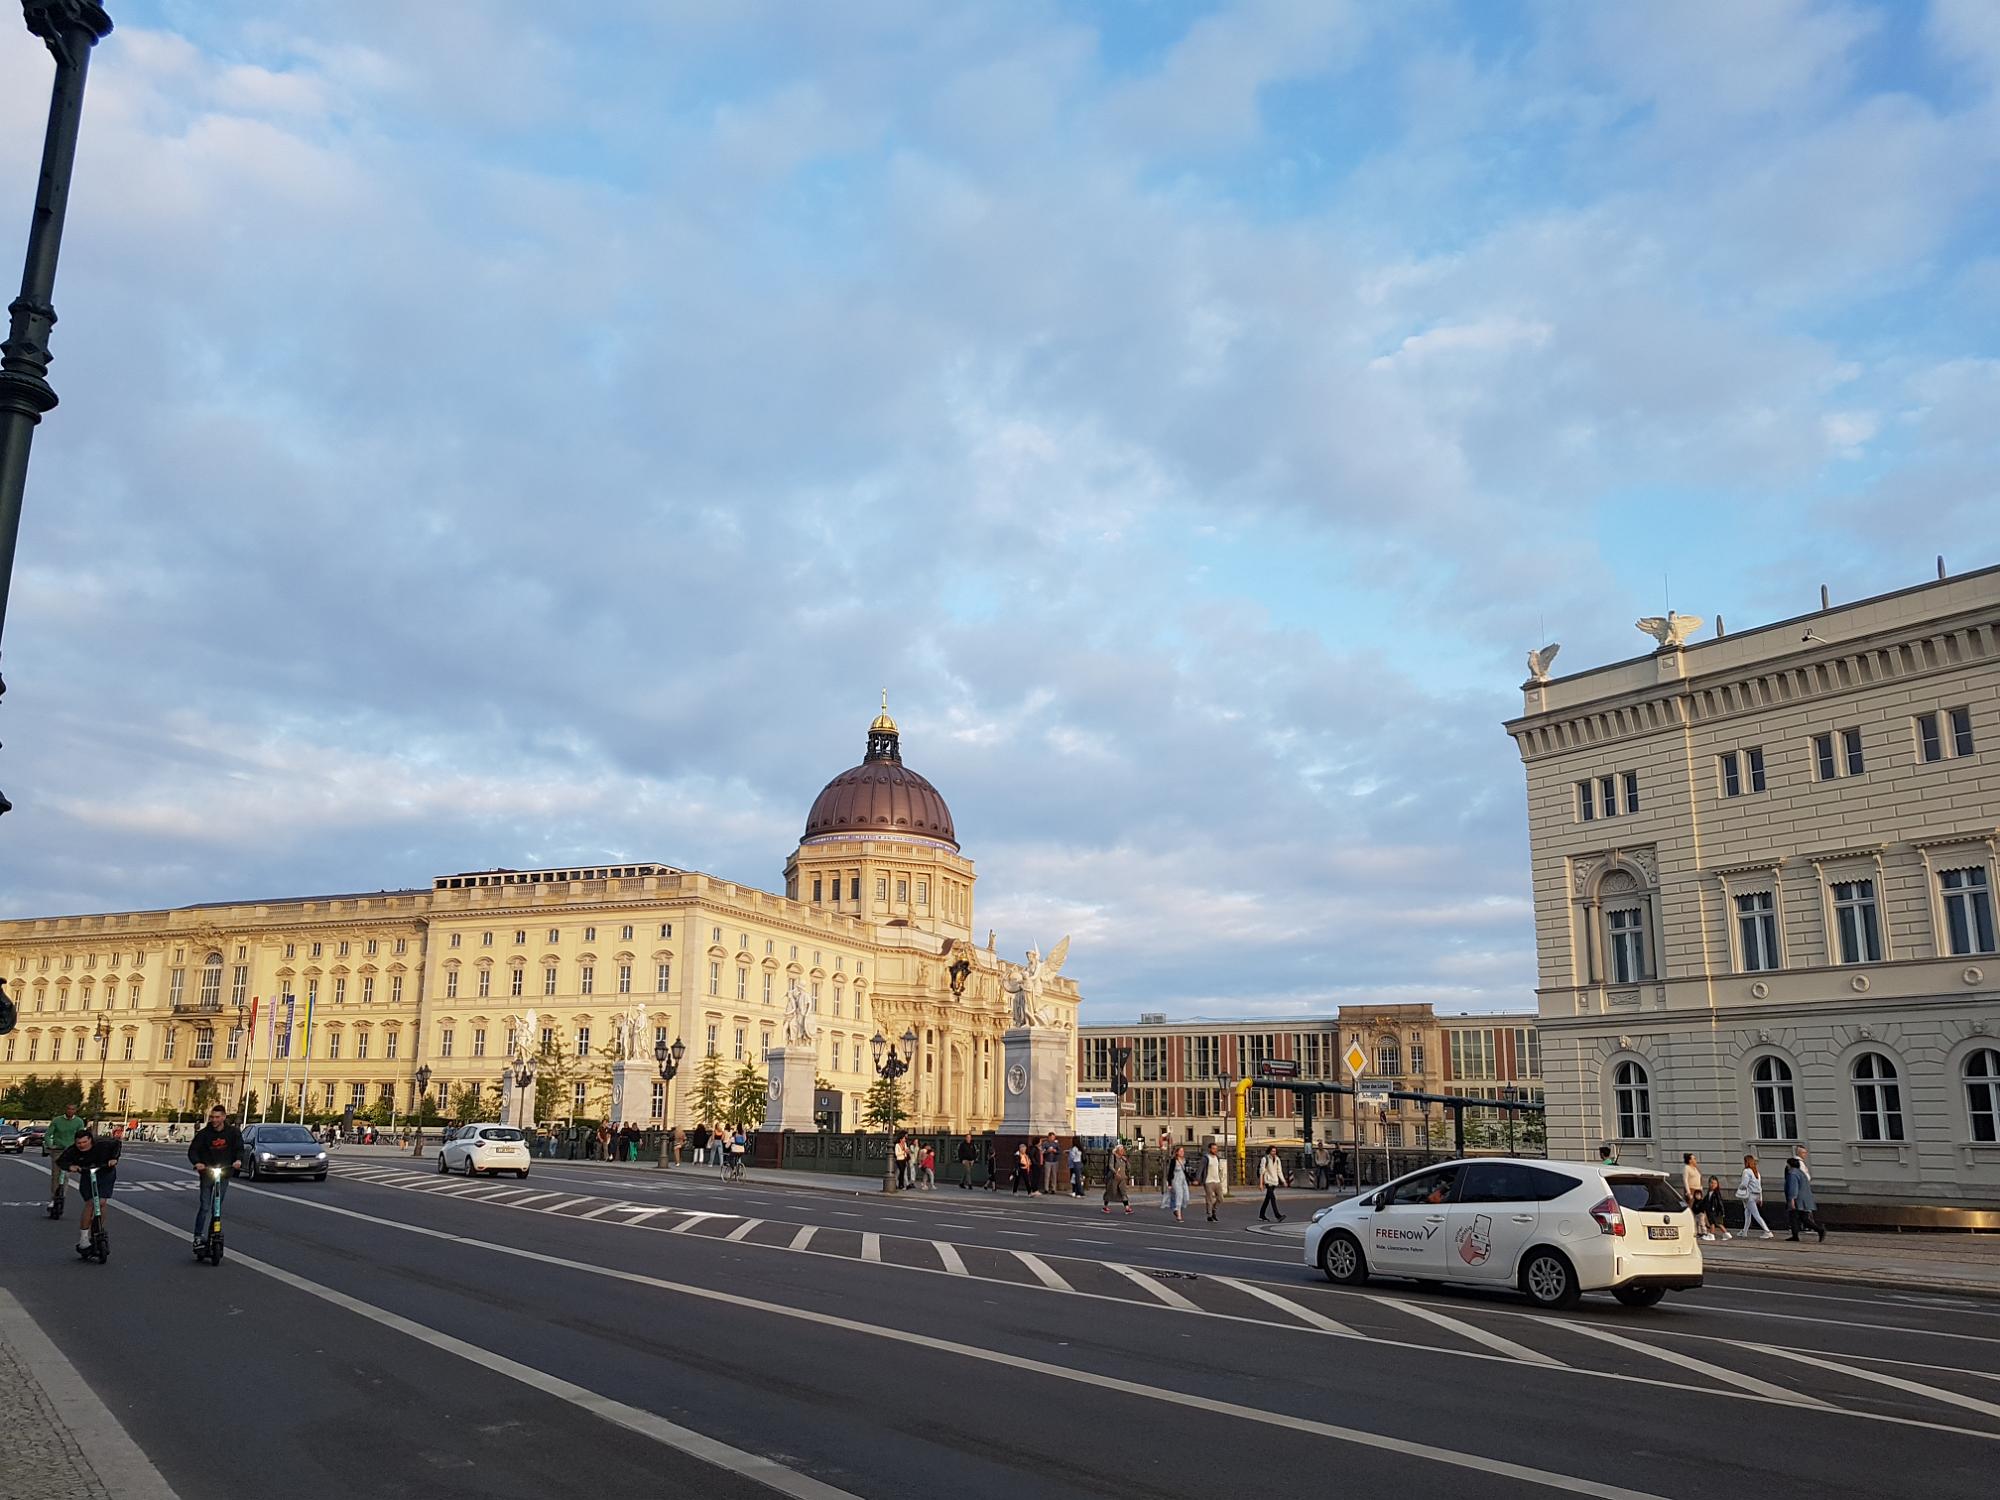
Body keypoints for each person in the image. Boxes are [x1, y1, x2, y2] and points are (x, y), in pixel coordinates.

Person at [187, 1104, 247, 1251]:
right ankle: (198, 1236)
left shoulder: (233, 1133)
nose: (214, 1120)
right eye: (212, 1117)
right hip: (207, 1173)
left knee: (217, 1207)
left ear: (224, 1117)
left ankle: (213, 1232)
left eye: (217, 1117)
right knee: (205, 1206)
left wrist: (238, 1160)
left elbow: (239, 1148)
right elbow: (193, 1151)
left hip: (224, 1173)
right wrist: (198, 1163)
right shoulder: (204, 1134)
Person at [55, 1125, 120, 1253]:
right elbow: (61, 1161)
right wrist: (70, 1166)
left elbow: (117, 1144)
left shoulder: (102, 1144)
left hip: (105, 1173)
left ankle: (99, 1229)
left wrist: (114, 1158)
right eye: (79, 1143)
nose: (82, 1145)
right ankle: (84, 1238)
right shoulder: (73, 1150)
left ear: (90, 1140)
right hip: (87, 1174)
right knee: (90, 1203)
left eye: (85, 1142)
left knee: (101, 1202)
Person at [44, 1102, 84, 1201]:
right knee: (56, 1175)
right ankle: (54, 1196)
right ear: (66, 1110)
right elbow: (48, 1134)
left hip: (71, 1151)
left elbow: (81, 1136)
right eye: (69, 1109)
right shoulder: (57, 1120)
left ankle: (62, 1196)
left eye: (73, 1109)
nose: (70, 1111)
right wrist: (50, 1145)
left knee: (65, 1175)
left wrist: (79, 1148)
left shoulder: (79, 1121)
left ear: (75, 1110)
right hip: (58, 1150)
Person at [1785, 1154, 1824, 1242]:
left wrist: (1792, 1199)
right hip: (1805, 1199)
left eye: (1787, 1164)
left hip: (1798, 1200)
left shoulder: (1792, 1174)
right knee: (1804, 1218)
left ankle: (1796, 1235)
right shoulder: (1801, 1173)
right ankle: (1818, 1230)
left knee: (1794, 1217)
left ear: (1790, 1165)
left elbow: (1793, 1187)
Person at [1738, 1154, 1773, 1238]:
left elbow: (1744, 1184)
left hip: (1749, 1196)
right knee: (1747, 1213)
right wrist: (1760, 1198)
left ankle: (1767, 1231)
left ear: (1746, 1162)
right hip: (1756, 1195)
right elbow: (1759, 1186)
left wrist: (1740, 1190)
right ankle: (1744, 1232)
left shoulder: (1746, 1171)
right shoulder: (1756, 1173)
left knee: (1756, 1214)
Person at [1256, 1145, 1289, 1222]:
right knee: (1272, 1198)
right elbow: (1262, 1172)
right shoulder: (1265, 1159)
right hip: (1268, 1181)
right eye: (1272, 1151)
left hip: (1274, 1180)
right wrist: (1261, 1184)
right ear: (1269, 1151)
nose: (1274, 1153)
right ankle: (1278, 1215)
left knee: (1267, 1199)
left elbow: (1279, 1171)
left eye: (1275, 1151)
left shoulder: (1277, 1159)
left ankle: (1261, 1215)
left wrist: (1283, 1181)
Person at [1198, 1141, 1226, 1223]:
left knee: (1220, 1198)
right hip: (1208, 1181)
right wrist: (1197, 1179)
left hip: (1217, 1180)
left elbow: (1219, 1168)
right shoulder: (1206, 1158)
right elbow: (1200, 1168)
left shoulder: (1217, 1158)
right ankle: (1209, 1215)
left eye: (1216, 1149)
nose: (1215, 1150)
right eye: (1213, 1148)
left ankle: (1214, 1210)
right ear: (1210, 1149)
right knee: (1209, 1199)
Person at [1161, 1145, 1190, 1223]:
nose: (1182, 1152)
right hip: (1176, 1180)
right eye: (1180, 1151)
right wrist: (1169, 1183)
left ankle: (1176, 1209)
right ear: (1177, 1152)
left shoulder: (1184, 1160)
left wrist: (1191, 1180)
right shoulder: (1174, 1161)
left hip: (1183, 1180)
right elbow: (1170, 1172)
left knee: (1186, 1197)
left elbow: (1185, 1172)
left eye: (1183, 1151)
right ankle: (1179, 1215)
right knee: (1179, 1196)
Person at [1103, 1143, 1133, 1214]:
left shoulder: (1123, 1158)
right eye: (1121, 1150)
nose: (1122, 1151)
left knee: (1123, 1192)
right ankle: (1105, 1206)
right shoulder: (1113, 1157)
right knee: (1110, 1192)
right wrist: (1115, 1172)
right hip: (1114, 1178)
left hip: (1122, 1178)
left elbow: (1129, 1168)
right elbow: (1110, 1166)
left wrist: (1126, 1161)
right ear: (1117, 1150)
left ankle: (1127, 1207)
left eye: (1123, 1150)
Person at [1701, 1175, 1731, 1241]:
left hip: (1715, 1211)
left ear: (1717, 1184)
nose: (1713, 1185)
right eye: (1711, 1183)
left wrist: (1722, 1211)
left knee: (1714, 1223)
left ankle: (1712, 1235)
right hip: (1711, 1211)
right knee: (1716, 1223)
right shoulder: (1709, 1193)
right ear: (1709, 1183)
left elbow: (1720, 1202)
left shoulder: (1716, 1193)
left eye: (1715, 1183)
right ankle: (1726, 1234)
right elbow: (1705, 1201)